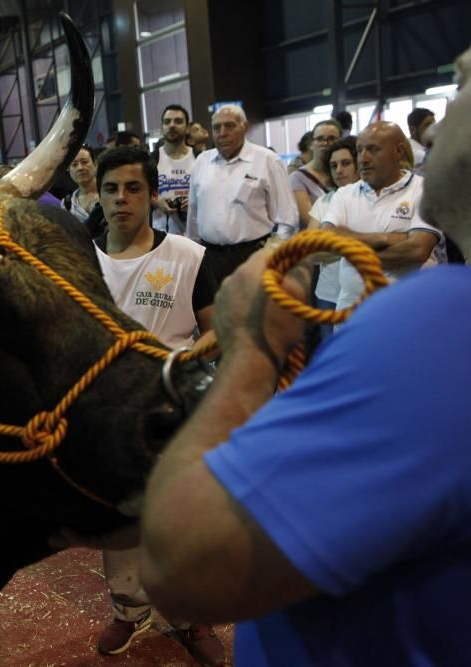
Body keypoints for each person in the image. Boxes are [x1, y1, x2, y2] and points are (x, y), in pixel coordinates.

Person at [137, 45, 471, 667]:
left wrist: (251, 349)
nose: (451, 96)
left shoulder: (438, 320)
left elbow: (180, 561)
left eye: (467, 84)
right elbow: (329, 238)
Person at [88, 146, 222, 665]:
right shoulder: (80, 257)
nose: (122, 198)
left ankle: (191, 617)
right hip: (105, 414)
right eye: (111, 189)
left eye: (133, 188)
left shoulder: (188, 256)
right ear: (98, 195)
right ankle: (128, 611)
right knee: (120, 520)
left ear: (151, 193)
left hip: (173, 410)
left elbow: (214, 331)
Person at [321, 121, 441, 312]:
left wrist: (350, 251)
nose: (363, 158)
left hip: (411, 309)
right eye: (360, 150)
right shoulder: (345, 194)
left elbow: (417, 251)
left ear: (398, 151)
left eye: (373, 149)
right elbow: (325, 239)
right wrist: (388, 238)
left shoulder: (424, 189)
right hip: (352, 313)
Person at [186, 104, 297, 288]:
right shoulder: (201, 162)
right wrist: (193, 252)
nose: (222, 133)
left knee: (254, 314)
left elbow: (287, 218)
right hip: (209, 258)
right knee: (216, 315)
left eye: (229, 126)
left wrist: (271, 254)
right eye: (216, 128)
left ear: (244, 127)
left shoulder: (267, 160)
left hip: (253, 256)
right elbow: (193, 213)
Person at [306, 136, 359, 340]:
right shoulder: (323, 201)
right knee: (332, 356)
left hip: (361, 293)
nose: (339, 170)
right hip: (328, 295)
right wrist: (354, 245)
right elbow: (309, 251)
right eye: (334, 165)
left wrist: (329, 246)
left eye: (346, 163)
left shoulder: (369, 199)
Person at [288, 120, 342, 229]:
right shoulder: (297, 178)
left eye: (332, 139)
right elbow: (309, 221)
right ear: (311, 144)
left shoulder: (344, 172)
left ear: (341, 141)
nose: (326, 143)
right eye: (320, 139)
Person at [152, 104, 196, 235]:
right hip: (162, 234)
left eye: (178, 121)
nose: (172, 125)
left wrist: (195, 203)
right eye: (167, 122)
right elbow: (140, 193)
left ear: (187, 128)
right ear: (162, 127)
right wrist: (156, 202)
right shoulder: (152, 159)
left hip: (195, 235)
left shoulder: (200, 157)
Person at [63, 145, 100, 222]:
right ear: (68, 169)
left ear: (95, 164)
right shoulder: (67, 204)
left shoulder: (111, 193)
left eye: (84, 162)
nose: (80, 168)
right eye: (74, 164)